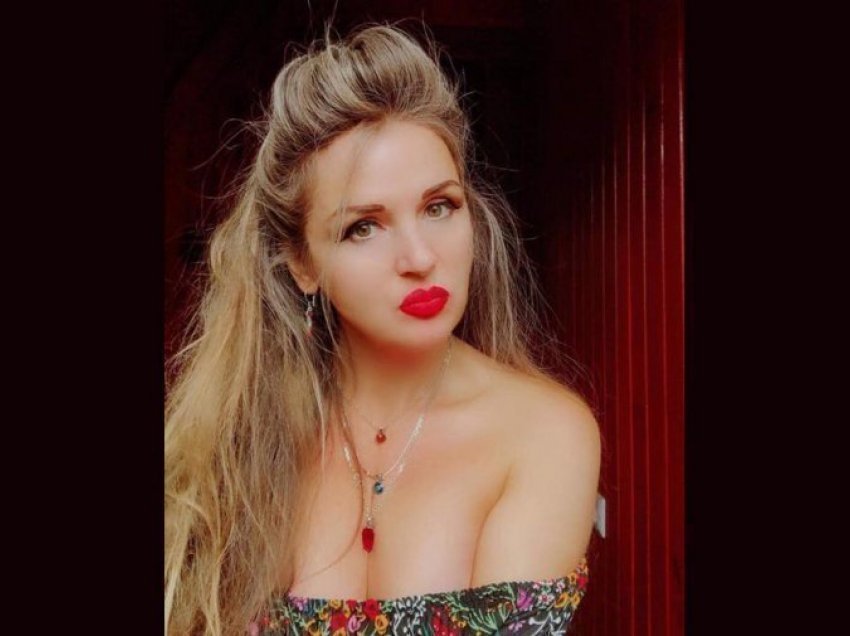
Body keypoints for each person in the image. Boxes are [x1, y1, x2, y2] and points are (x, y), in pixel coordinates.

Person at [165, 22, 601, 636]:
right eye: (362, 227)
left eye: (439, 206)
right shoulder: (243, 439)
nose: (419, 257)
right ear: (302, 265)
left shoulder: (542, 433)